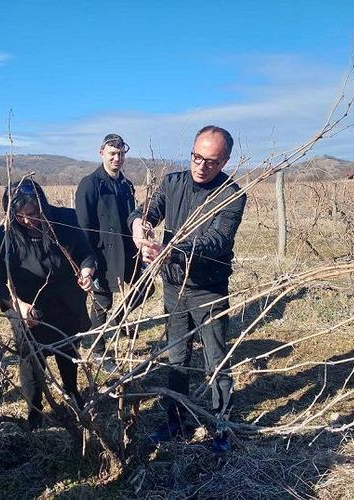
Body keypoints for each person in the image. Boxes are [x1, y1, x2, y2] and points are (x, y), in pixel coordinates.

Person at [128, 125, 247, 455]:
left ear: (224, 161)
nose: (200, 165)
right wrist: (140, 225)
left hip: (208, 290)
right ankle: (175, 421)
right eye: (196, 156)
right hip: (172, 286)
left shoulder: (232, 195)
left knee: (216, 360)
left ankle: (220, 426)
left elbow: (216, 241)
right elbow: (146, 211)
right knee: (176, 357)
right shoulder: (172, 183)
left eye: (210, 161)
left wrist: (169, 246)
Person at [0, 179, 97, 430]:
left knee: (67, 349)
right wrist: (19, 306)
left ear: (43, 207)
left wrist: (87, 272)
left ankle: (72, 393)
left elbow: (87, 254)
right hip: (27, 305)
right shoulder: (4, 235)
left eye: (33, 213)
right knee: (31, 357)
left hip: (65, 301)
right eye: (20, 215)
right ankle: (35, 409)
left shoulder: (65, 221)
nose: (28, 220)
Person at [75, 133, 152, 370]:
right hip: (101, 255)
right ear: (102, 153)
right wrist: (87, 261)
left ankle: (117, 320)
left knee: (146, 287)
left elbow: (132, 216)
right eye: (112, 154)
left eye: (120, 154)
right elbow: (82, 226)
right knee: (102, 302)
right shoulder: (89, 184)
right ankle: (98, 351)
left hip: (128, 251)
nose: (117, 158)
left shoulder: (125, 184)